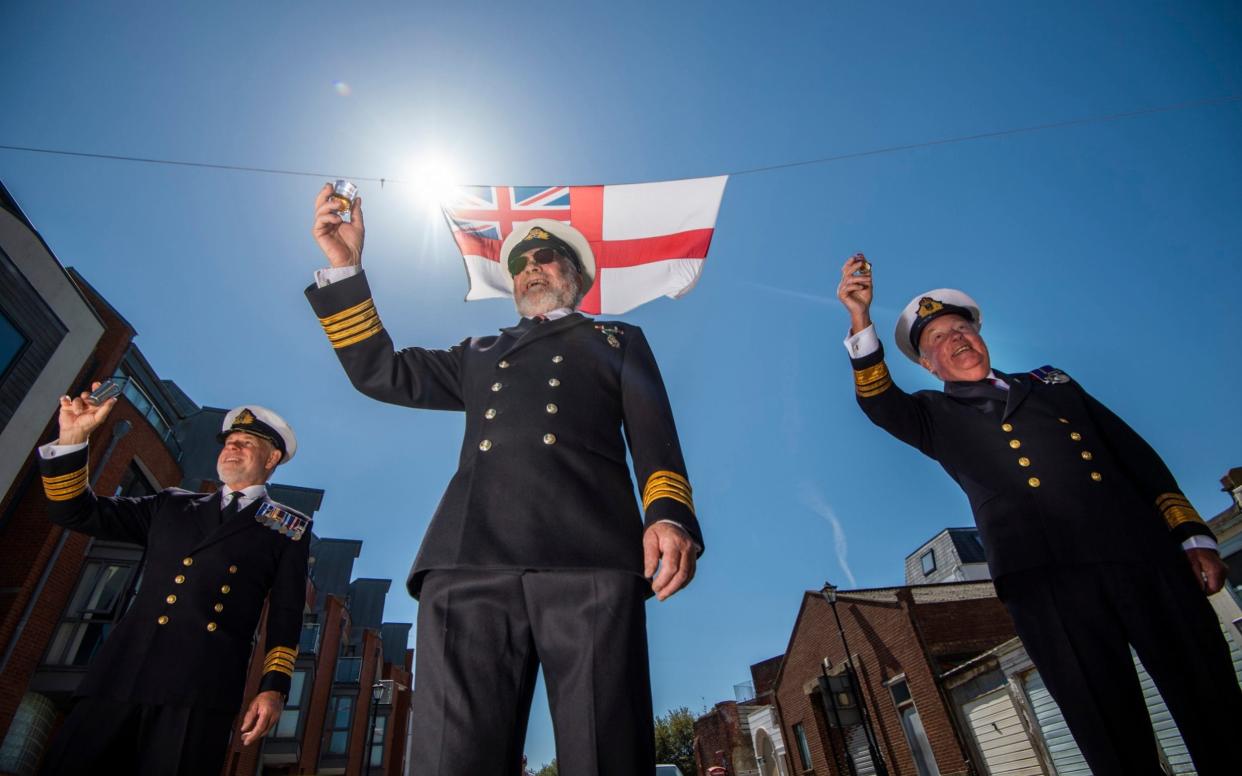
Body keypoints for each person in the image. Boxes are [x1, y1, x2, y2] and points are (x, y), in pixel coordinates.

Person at [305, 184, 704, 774]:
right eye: (519, 266)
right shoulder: (478, 351)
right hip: (468, 559)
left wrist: (667, 515)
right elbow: (382, 373)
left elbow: (653, 433)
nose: (529, 270)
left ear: (576, 276)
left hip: (588, 554)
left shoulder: (617, 339)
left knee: (605, 751)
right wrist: (346, 270)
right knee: (450, 759)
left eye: (544, 260)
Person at [835, 254, 1240, 776]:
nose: (955, 340)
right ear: (928, 366)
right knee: (1110, 731)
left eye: (962, 329)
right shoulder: (933, 416)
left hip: (1144, 558)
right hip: (1047, 584)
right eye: (937, 340)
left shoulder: (1054, 384)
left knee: (1213, 701)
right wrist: (859, 317)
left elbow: (1136, 456)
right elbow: (877, 400)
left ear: (981, 335)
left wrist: (1190, 534)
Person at [37, 395, 310, 776]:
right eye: (229, 442)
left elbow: (286, 614)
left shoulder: (287, 527)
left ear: (272, 459)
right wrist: (72, 437)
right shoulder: (172, 505)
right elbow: (75, 511)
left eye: (245, 443)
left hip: (200, 688)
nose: (231, 448)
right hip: (121, 675)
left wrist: (273, 688)